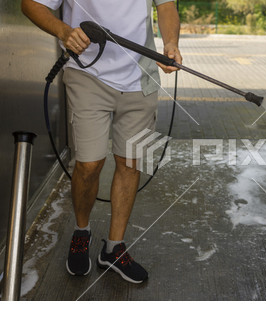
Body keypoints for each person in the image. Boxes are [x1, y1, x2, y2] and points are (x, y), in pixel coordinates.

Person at [21, 0, 182, 284]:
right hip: (87, 72)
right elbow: (31, 4)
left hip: (139, 77)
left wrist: (171, 44)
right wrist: (63, 30)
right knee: (89, 163)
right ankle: (82, 232)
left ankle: (113, 248)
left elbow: (167, 6)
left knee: (130, 162)